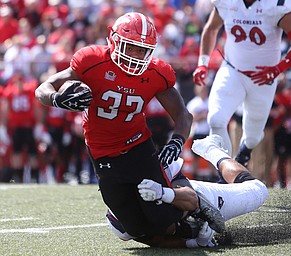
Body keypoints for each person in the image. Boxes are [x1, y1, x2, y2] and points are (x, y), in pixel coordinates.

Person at [35, 11, 224, 241]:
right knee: (137, 232)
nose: (136, 55)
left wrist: (176, 141)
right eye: (130, 47)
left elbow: (183, 115)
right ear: (114, 41)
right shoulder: (90, 60)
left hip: (138, 148)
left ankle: (191, 201)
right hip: (102, 153)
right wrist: (56, 99)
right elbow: (43, 87)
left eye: (142, 49)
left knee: (163, 220)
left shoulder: (156, 72)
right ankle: (188, 230)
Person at [193, 0, 291, 166]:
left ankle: (245, 151)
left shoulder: (275, 6)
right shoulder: (226, 2)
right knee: (216, 120)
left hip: (262, 78)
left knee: (253, 136)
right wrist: (202, 63)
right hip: (232, 70)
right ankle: (226, 174)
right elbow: (211, 28)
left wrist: (278, 68)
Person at [106, 134, 269, 248]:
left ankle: (210, 149)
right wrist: (193, 243)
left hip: (202, 201)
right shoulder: (122, 226)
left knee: (258, 190)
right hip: (189, 223)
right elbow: (157, 242)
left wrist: (163, 193)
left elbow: (192, 199)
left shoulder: (150, 176)